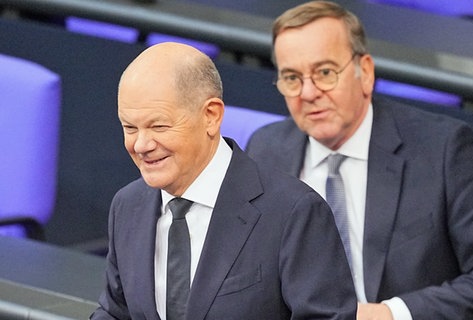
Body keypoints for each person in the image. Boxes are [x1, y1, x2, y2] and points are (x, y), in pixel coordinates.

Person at [246, 1, 473, 319]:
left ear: (365, 72)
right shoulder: (266, 149)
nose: (308, 92)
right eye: (291, 78)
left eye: (325, 73)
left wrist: (390, 314)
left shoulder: (442, 149)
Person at [90, 42, 357, 320]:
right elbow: (115, 312)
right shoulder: (128, 205)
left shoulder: (295, 213)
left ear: (211, 116)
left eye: (159, 126)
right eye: (130, 127)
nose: (141, 144)